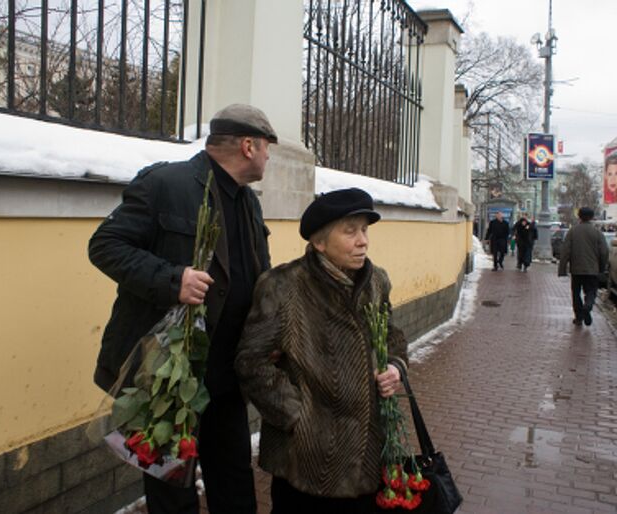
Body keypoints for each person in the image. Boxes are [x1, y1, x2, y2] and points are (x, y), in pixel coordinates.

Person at [88, 104, 277, 514]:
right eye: (267, 149)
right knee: (172, 495)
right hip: (171, 382)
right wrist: (173, 280)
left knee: (236, 487)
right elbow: (105, 246)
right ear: (248, 146)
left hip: (227, 381)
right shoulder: (165, 184)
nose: (268, 158)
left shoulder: (248, 203)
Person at [235, 188, 407, 514]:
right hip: (306, 462)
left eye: (365, 230)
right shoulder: (283, 286)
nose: (363, 241)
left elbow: (393, 337)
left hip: (367, 454)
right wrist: (299, 419)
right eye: (350, 231)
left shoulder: (376, 282)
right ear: (319, 242)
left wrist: (395, 367)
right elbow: (251, 362)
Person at [558, 207, 609, 326]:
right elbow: (604, 252)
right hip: (592, 269)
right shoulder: (597, 233)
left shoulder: (573, 231)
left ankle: (579, 316)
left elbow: (565, 251)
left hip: (576, 269)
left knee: (576, 293)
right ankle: (588, 306)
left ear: (579, 216)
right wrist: (602, 267)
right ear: (591, 217)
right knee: (591, 291)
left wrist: (562, 269)